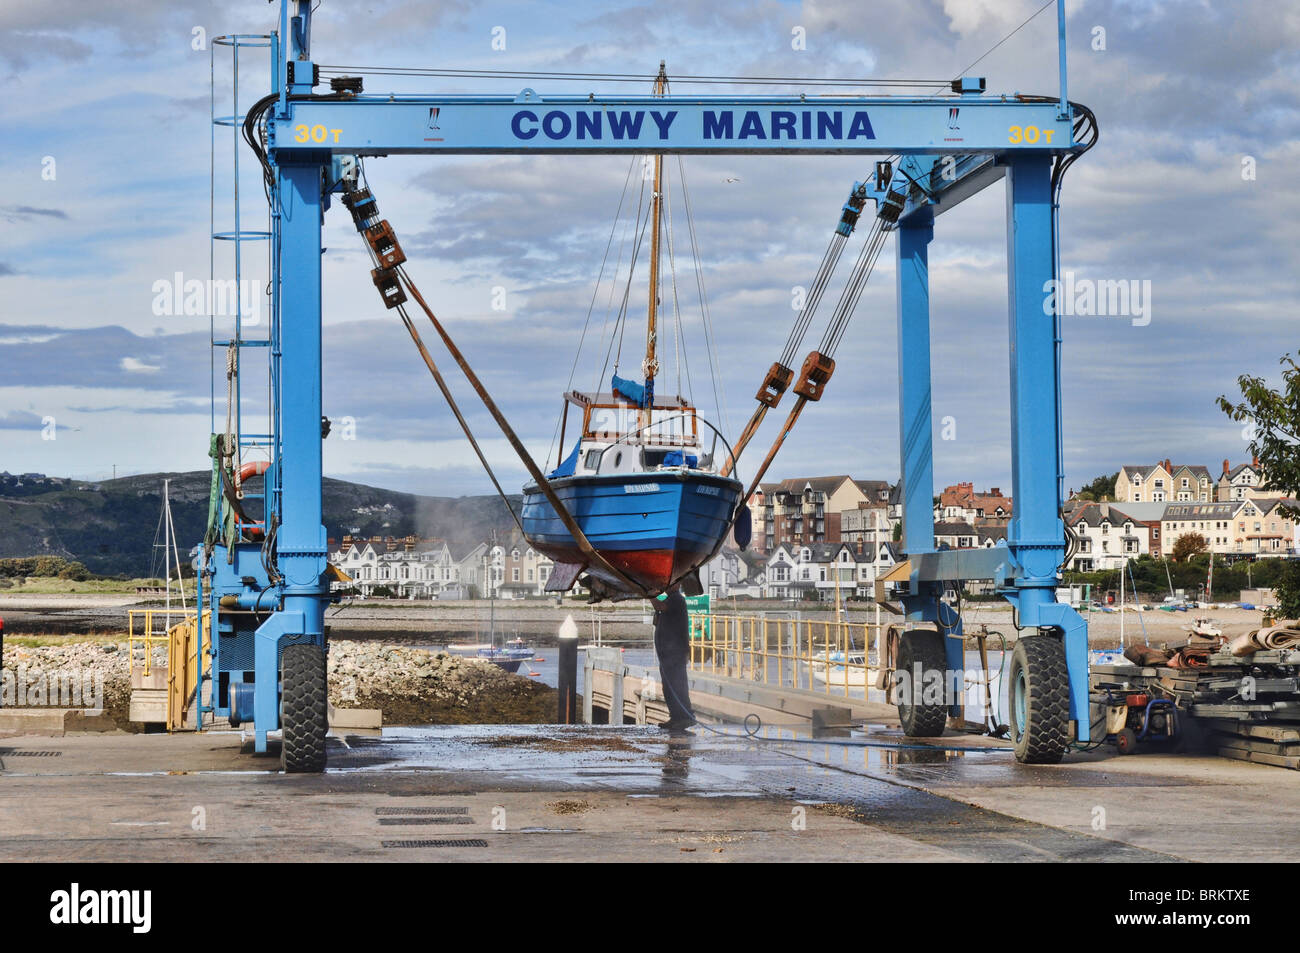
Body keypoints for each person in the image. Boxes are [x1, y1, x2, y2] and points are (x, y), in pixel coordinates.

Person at [651, 588, 695, 730]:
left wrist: (649, 594)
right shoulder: (672, 599)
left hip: (674, 652)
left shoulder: (677, 599)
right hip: (668, 653)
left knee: (676, 685)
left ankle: (684, 717)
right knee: (669, 686)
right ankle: (676, 717)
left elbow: (660, 606)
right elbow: (660, 608)